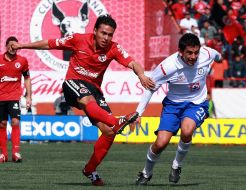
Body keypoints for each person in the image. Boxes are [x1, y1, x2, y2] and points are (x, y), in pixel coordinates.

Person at [11, 14, 155, 186]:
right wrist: (22, 45)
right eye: (103, 33)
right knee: (89, 101)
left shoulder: (114, 48)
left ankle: (90, 169)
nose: (106, 38)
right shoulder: (78, 39)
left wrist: (141, 75)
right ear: (94, 31)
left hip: (95, 91)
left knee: (109, 132)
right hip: (73, 84)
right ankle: (116, 121)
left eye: (110, 35)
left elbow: (133, 63)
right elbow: (49, 44)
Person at [133, 33, 222, 185]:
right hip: (173, 105)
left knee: (187, 131)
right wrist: (138, 113)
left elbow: (217, 55)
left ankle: (176, 166)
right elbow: (150, 88)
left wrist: (219, 58)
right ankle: (146, 173)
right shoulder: (167, 67)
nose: (193, 56)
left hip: (197, 103)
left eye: (196, 52)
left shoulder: (206, 53)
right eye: (189, 53)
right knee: (161, 143)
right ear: (181, 52)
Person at [0, 36, 32, 163]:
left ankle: (16, 153)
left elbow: (27, 79)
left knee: (15, 122)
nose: (14, 47)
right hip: (1, 97)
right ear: (6, 46)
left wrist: (29, 96)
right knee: (2, 124)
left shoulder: (22, 61)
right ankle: (3, 154)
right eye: (11, 45)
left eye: (16, 45)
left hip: (14, 97)